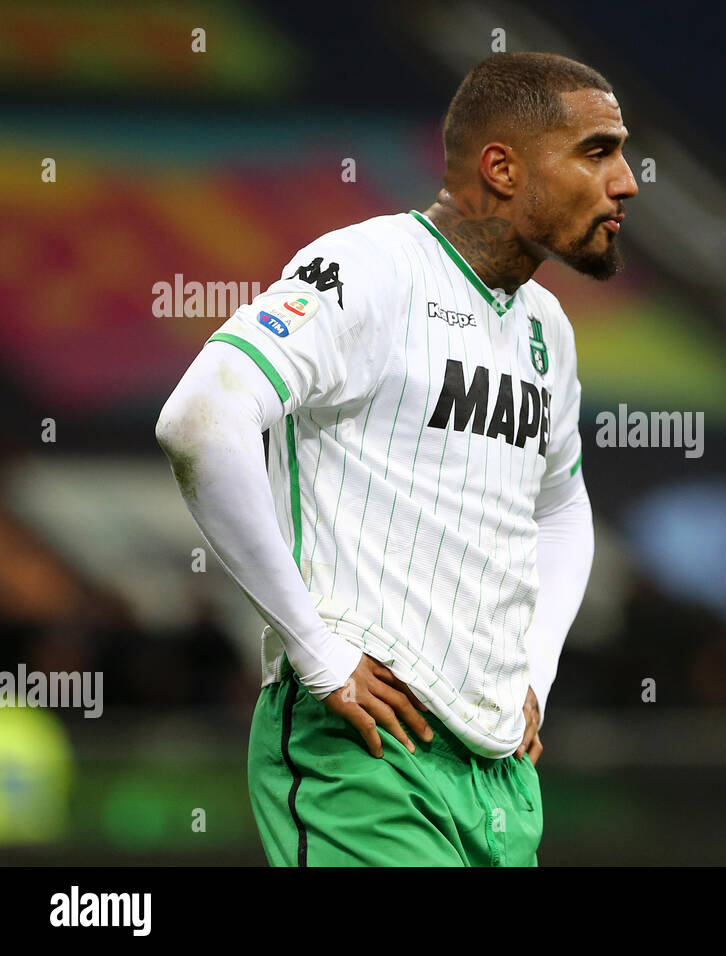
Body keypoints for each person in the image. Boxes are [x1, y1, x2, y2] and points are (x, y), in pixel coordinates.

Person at [154, 51, 637, 866]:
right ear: (502, 167)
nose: (625, 181)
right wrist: (315, 650)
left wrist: (535, 679)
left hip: (499, 773)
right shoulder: (371, 268)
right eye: (597, 151)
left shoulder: (544, 327)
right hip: (367, 749)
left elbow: (561, 504)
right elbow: (203, 420)